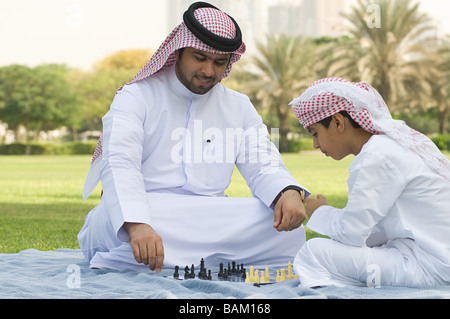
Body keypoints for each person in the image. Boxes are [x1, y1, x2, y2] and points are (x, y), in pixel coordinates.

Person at [78, 2, 309, 272]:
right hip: (143, 211)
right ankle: (195, 259)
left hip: (209, 215)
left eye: (219, 62)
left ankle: (151, 263)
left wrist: (288, 192)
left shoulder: (238, 106)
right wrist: (138, 224)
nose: (209, 71)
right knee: (120, 218)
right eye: (200, 57)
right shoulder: (135, 97)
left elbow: (263, 163)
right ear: (179, 51)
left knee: (283, 227)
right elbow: (120, 164)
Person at [290, 77, 450, 287]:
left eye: (315, 133)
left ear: (338, 122)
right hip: (430, 258)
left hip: (430, 267)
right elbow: (374, 232)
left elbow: (352, 234)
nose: (315, 144)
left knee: (314, 252)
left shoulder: (377, 154)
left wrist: (320, 211)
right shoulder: (390, 145)